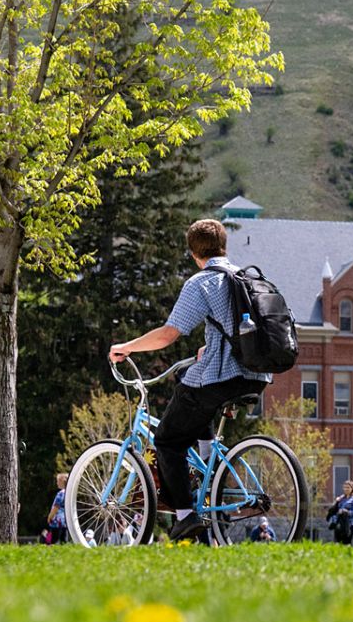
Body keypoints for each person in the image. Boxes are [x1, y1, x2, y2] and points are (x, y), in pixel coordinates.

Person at [109, 219, 271, 542]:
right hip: (256, 375)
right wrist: (211, 347)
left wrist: (126, 348)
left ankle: (184, 516)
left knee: (167, 439)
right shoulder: (245, 277)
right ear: (224, 246)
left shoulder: (202, 282)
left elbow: (169, 334)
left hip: (222, 377)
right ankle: (211, 460)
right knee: (190, 386)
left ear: (194, 253)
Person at [328, 480, 353, 545]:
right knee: (337, 542)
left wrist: (346, 511)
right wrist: (336, 502)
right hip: (339, 523)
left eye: (348, 487)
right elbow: (336, 509)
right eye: (345, 487)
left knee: (346, 542)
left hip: (349, 524)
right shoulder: (342, 498)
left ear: (352, 488)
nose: (346, 489)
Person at [46, 473, 69, 545]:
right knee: (63, 540)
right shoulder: (68, 492)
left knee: (53, 541)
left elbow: (56, 507)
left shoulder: (61, 493)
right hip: (65, 521)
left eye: (58, 481)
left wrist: (50, 516)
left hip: (57, 521)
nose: (57, 483)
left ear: (62, 482)